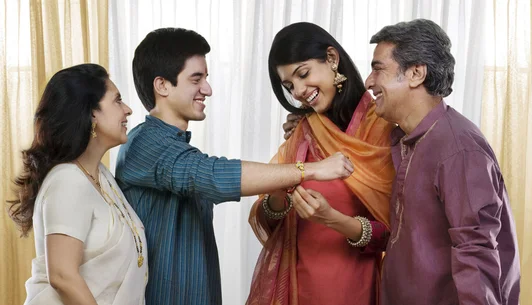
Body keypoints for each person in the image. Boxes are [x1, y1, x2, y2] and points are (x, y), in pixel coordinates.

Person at [115, 27, 353, 305]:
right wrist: (311, 169)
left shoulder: (177, 149)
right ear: (163, 85)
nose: (208, 89)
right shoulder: (144, 143)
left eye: (206, 78)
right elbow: (212, 175)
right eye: (196, 79)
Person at [364, 19, 521, 304]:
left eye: (378, 69)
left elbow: (477, 253)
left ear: (415, 73)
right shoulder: (405, 137)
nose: (369, 81)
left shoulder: (458, 149)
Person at [246, 22, 396, 305]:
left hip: (355, 287)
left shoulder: (383, 129)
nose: (299, 91)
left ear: (331, 58)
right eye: (289, 85)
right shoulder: (304, 130)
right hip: (295, 287)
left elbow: (394, 235)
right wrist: (278, 193)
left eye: (303, 74)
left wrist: (333, 219)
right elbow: (269, 219)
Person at [7, 63, 146, 305]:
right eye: (117, 101)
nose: (128, 109)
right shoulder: (67, 181)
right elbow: (62, 276)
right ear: (92, 113)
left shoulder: (101, 177)